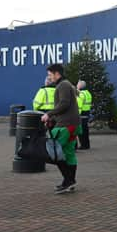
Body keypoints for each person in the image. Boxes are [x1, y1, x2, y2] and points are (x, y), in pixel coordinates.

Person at [41, 64, 81, 194]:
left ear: (57, 74)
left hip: (66, 125)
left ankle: (68, 180)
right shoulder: (67, 84)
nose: (49, 77)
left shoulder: (62, 85)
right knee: (69, 153)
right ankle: (70, 182)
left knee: (55, 153)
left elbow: (64, 103)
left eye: (50, 74)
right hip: (72, 125)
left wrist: (49, 114)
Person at [76, 80, 92, 150]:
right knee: (85, 130)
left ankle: (83, 145)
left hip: (81, 114)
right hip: (86, 113)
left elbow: (79, 105)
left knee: (81, 131)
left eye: (77, 84)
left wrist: (77, 114)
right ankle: (87, 145)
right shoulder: (88, 93)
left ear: (80, 86)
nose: (77, 85)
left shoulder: (80, 94)